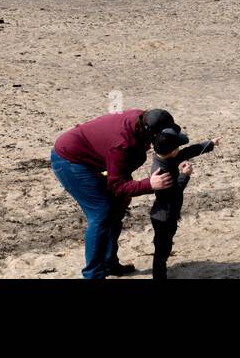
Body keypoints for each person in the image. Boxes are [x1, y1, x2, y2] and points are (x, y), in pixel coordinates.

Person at [50, 108, 179, 279]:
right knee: (101, 213)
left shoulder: (142, 120)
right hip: (69, 160)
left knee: (117, 207)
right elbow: (117, 186)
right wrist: (149, 184)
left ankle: (109, 264)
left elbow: (121, 172)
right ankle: (93, 275)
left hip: (92, 156)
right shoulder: (121, 144)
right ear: (150, 133)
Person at [148, 127, 217, 280]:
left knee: (164, 242)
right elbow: (172, 193)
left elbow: (188, 151)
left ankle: (160, 244)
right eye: (177, 147)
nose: (180, 149)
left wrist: (210, 144)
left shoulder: (166, 157)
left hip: (167, 214)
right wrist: (184, 175)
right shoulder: (160, 172)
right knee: (162, 251)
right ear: (173, 151)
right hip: (163, 216)